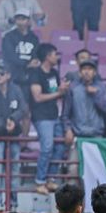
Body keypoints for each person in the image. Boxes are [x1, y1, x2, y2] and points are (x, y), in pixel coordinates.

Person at [29, 43, 69, 195]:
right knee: (47, 147)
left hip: (54, 115)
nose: (56, 56)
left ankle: (50, 179)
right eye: (54, 54)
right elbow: (37, 97)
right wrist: (59, 93)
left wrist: (62, 89)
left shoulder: (54, 72)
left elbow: (57, 91)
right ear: (47, 56)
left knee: (60, 146)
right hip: (41, 116)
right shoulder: (36, 73)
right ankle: (39, 181)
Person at [62, 59, 106, 140]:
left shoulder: (101, 87)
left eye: (90, 69)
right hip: (78, 134)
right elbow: (65, 114)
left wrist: (96, 94)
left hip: (97, 134)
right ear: (80, 73)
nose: (87, 72)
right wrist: (68, 129)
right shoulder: (73, 88)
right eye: (84, 69)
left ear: (95, 72)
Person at [1, 8, 40, 90]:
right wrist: (27, 64)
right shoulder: (8, 37)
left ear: (28, 21)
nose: (20, 22)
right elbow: (10, 56)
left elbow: (36, 54)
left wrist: (34, 62)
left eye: (23, 19)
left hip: (30, 75)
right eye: (18, 19)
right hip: (13, 74)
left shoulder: (34, 38)